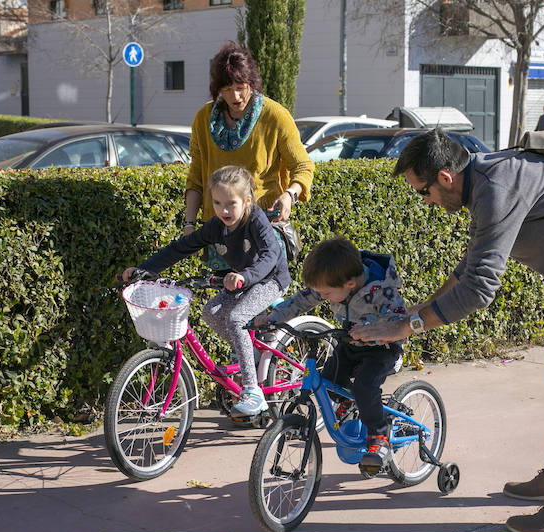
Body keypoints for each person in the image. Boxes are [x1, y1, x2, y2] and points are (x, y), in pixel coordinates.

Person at [350, 128, 544, 532]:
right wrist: (416, 311)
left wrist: (408, 326)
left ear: (444, 177)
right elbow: (467, 269)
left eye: (423, 192)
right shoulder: (484, 181)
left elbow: (479, 289)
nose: (425, 203)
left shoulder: (496, 187)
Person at [123, 165, 290, 417]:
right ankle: (251, 355)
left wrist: (244, 276)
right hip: (242, 280)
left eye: (231, 203)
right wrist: (143, 271)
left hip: (270, 279)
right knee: (210, 312)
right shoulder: (216, 226)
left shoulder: (255, 219)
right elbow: (182, 247)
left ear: (246, 201)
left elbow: (270, 255)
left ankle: (252, 391)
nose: (223, 210)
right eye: (216, 202)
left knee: (236, 318)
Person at [256, 236, 407, 475]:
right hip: (351, 342)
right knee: (328, 381)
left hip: (382, 348)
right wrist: (273, 319)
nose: (322, 297)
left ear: (349, 283)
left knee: (365, 387)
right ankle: (349, 402)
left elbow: (401, 326)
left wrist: (373, 335)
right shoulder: (333, 281)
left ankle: (379, 437)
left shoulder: (383, 292)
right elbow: (302, 300)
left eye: (326, 294)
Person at [182, 41, 314, 270]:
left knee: (261, 295)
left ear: (251, 83)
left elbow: (303, 166)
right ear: (217, 89)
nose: (235, 96)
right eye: (226, 89)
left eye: (241, 87)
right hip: (217, 230)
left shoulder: (275, 116)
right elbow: (196, 178)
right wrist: (190, 224)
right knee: (224, 299)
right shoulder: (204, 118)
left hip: (261, 227)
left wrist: (289, 195)